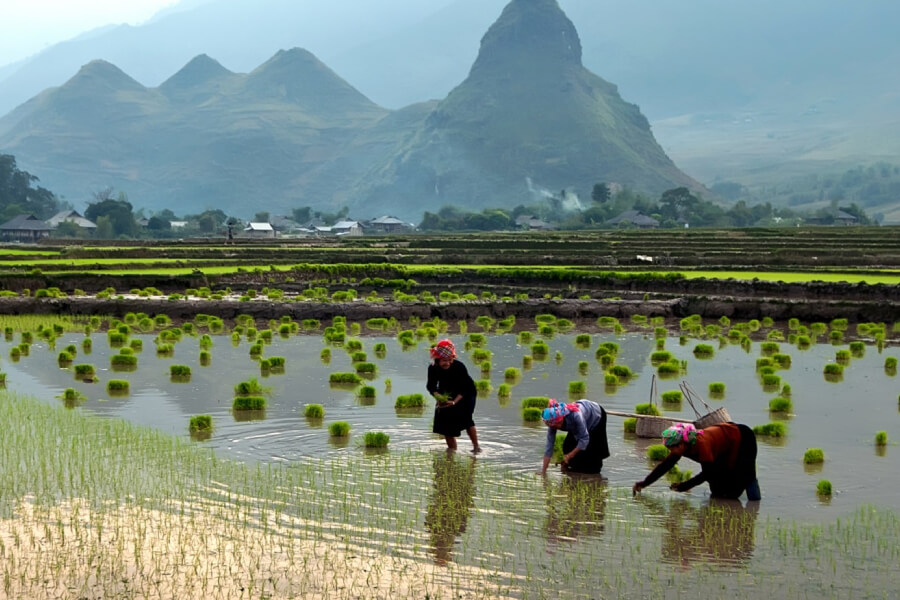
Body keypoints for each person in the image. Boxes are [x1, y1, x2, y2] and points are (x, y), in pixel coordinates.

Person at [632, 422, 761, 501]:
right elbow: (665, 466)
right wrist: (644, 483)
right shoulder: (683, 447)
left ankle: (754, 506)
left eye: (672, 448)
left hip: (743, 437)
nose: (672, 452)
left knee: (747, 475)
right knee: (718, 490)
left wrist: (685, 486)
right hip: (723, 445)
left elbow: (708, 473)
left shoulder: (701, 445)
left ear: (681, 444)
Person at [426, 339, 481, 453]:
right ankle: (452, 451)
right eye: (444, 361)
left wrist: (455, 402)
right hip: (446, 390)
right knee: (445, 422)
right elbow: (431, 386)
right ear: (437, 359)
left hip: (466, 393)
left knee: (466, 419)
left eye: (450, 360)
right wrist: (439, 397)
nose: (447, 363)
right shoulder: (433, 367)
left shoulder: (459, 366)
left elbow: (465, 388)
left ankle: (476, 447)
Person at [540, 398, 609, 475]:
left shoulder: (576, 416)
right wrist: (543, 472)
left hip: (596, 415)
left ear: (560, 420)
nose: (555, 428)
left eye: (556, 425)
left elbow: (584, 439)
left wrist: (569, 456)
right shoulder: (552, 423)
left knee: (592, 451)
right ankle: (570, 469)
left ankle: (594, 476)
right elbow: (549, 448)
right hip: (579, 419)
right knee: (567, 446)